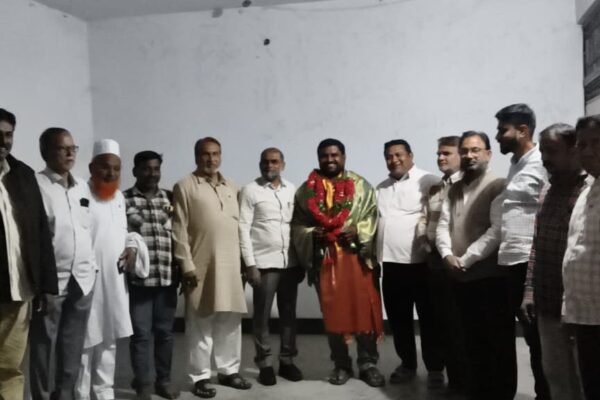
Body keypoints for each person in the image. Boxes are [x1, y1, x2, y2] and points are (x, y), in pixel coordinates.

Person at [292, 138, 385, 387]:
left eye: (335, 155)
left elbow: (372, 215)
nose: (330, 159)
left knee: (363, 309)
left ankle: (368, 363)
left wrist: (358, 230)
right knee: (333, 313)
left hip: (357, 258)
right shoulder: (306, 191)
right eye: (325, 156)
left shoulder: (361, 186)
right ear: (318, 158)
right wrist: (312, 234)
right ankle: (341, 364)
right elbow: (297, 225)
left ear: (343, 157)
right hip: (325, 261)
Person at [172, 137, 250, 399]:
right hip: (200, 266)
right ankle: (200, 376)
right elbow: (179, 229)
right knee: (200, 322)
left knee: (230, 321)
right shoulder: (185, 186)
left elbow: (241, 227)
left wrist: (245, 263)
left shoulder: (232, 186)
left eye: (216, 154)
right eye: (206, 154)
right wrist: (186, 265)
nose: (211, 159)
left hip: (231, 266)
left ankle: (229, 371)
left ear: (221, 156)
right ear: (196, 156)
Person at [436, 131, 510, 400]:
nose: (469, 155)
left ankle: (499, 394)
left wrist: (465, 260)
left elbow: (497, 230)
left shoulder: (498, 185)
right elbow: (443, 225)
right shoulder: (454, 188)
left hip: (489, 278)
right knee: (468, 340)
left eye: (475, 150)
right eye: (465, 150)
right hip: (458, 277)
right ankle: (475, 390)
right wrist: (446, 255)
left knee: (495, 343)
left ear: (488, 154)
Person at [30, 128, 96, 400]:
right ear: (45, 152)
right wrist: (40, 283)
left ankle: (65, 395)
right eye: (62, 148)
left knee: (73, 344)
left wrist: (92, 267)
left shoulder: (82, 187)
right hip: (52, 281)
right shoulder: (36, 186)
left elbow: (87, 229)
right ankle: (42, 396)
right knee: (43, 344)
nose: (70, 153)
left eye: (73, 148)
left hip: (83, 279)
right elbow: (33, 238)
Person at [520, 123, 585, 400]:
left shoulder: (588, 192)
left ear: (574, 151)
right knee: (556, 377)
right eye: (543, 151)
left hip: (580, 308)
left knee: (584, 380)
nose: (545, 158)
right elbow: (537, 245)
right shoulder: (547, 191)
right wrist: (529, 291)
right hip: (547, 304)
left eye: (552, 151)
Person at [375, 139, 443, 387]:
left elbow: (437, 216)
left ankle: (435, 368)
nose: (394, 160)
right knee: (398, 319)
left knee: (430, 319)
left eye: (399, 154)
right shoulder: (381, 188)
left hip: (422, 264)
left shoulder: (429, 180)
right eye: (389, 156)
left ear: (411, 155)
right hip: (391, 264)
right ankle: (407, 364)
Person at [0, 108, 57, 400]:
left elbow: (40, 232)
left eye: (8, 134)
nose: (3, 141)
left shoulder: (23, 175)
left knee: (11, 368)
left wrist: (46, 285)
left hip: (18, 291)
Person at [495, 103, 550, 400]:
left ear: (523, 130)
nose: (497, 136)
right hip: (513, 261)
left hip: (532, 263)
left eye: (502, 130)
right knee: (531, 338)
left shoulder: (542, 162)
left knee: (541, 339)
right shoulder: (517, 162)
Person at [239, 148, 304, 386]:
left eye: (274, 162)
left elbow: (297, 226)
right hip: (264, 265)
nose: (269, 166)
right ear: (260, 164)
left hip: (290, 264)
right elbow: (243, 229)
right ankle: (264, 363)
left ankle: (287, 360)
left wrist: (301, 261)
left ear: (282, 165)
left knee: (288, 314)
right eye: (265, 162)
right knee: (262, 316)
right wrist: (250, 265)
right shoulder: (250, 190)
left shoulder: (292, 189)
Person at [75, 139, 133, 400]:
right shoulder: (79, 193)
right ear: (92, 167)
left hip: (114, 281)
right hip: (87, 281)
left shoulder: (119, 197)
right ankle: (80, 394)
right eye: (105, 167)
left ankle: (104, 392)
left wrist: (132, 245)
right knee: (85, 342)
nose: (111, 173)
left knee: (109, 339)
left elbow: (123, 232)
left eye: (116, 168)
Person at [123, 151, 179, 400]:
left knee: (165, 334)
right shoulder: (124, 199)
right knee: (141, 335)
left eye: (156, 169)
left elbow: (178, 234)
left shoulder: (170, 198)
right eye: (146, 169)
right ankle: (144, 385)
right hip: (139, 281)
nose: (152, 174)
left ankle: (163, 381)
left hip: (166, 278)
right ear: (135, 171)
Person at [416, 135, 469, 395]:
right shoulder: (436, 188)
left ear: (461, 155)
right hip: (435, 263)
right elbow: (424, 219)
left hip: (460, 265)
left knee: (459, 326)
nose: (440, 158)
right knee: (438, 323)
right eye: (439, 153)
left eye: (446, 153)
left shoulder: (470, 185)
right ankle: (442, 373)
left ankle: (462, 381)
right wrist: (427, 246)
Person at [562, 114, 600, 400]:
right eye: (582, 144)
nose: (587, 151)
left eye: (596, 143)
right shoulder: (587, 192)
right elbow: (574, 251)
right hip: (586, 317)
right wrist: (569, 309)